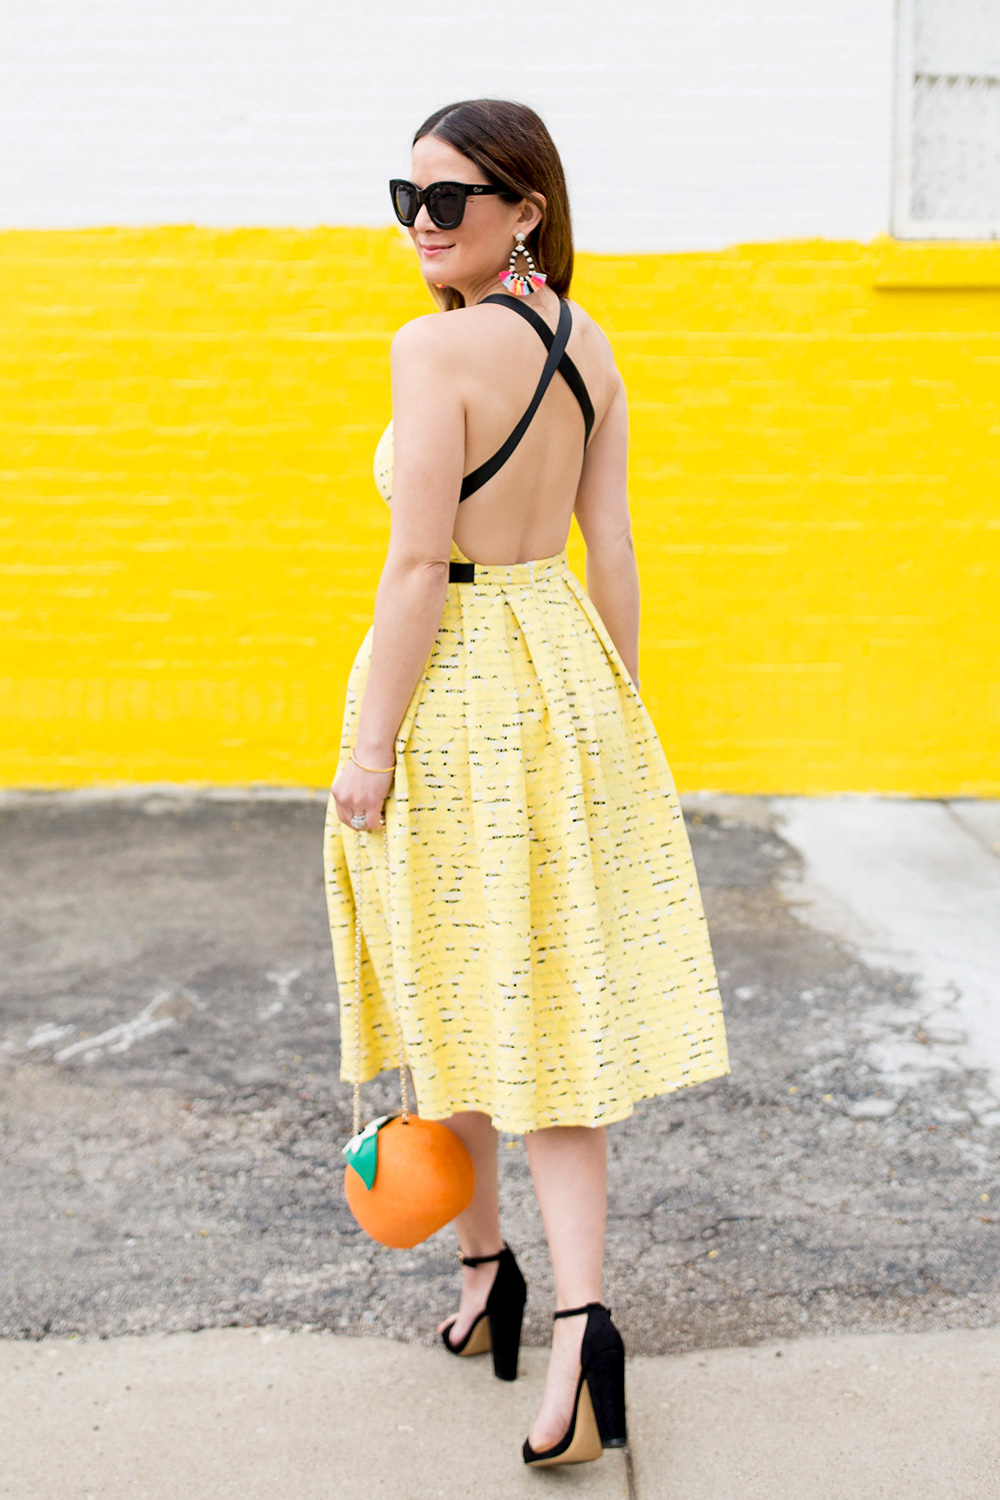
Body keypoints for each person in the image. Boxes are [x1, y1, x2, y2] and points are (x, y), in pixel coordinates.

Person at [323, 97, 729, 1468]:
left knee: (465, 982)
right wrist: (613, 715)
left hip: (454, 689)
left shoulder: (431, 351)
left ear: (524, 213)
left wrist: (370, 741)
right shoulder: (588, 343)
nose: (421, 226)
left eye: (449, 201)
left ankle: (546, 1308)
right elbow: (608, 550)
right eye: (408, 197)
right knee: (527, 990)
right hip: (561, 670)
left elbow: (413, 571)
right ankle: (518, 1293)